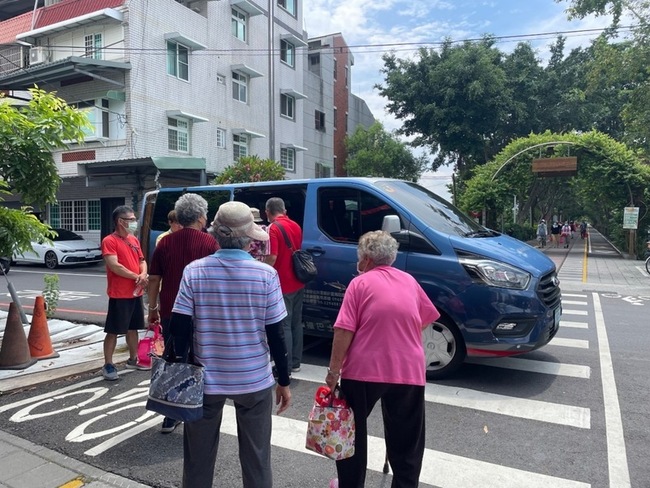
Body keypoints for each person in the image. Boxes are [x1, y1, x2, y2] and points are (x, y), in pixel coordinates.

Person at [170, 200, 291, 488]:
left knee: (197, 459)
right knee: (257, 457)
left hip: (205, 381)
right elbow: (276, 333)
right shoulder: (266, 275)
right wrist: (283, 381)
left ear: (215, 234)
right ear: (250, 239)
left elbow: (179, 327)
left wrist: (181, 367)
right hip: (254, 380)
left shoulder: (194, 272)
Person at [325, 230, 440, 488]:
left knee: (351, 433)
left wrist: (333, 373)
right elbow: (424, 319)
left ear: (366, 259)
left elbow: (344, 330)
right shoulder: (409, 281)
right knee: (407, 439)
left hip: (364, 370)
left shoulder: (359, 283)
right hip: (408, 370)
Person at [147, 193, 219, 434]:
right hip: (202, 313)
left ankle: (170, 414)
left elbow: (154, 278)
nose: (207, 219)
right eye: (206, 215)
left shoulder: (165, 243)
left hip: (171, 310)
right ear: (199, 217)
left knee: (173, 359)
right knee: (199, 360)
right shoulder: (210, 243)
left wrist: (152, 308)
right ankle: (197, 409)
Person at [100, 205, 149, 381]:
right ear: (120, 221)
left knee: (133, 328)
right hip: (119, 294)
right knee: (113, 330)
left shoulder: (133, 240)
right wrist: (137, 276)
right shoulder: (109, 241)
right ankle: (108, 364)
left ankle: (133, 359)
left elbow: (142, 260)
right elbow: (114, 265)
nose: (134, 222)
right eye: (131, 219)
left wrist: (143, 274)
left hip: (135, 292)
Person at [265, 197, 305, 374]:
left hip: (283, 282)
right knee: (297, 322)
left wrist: (262, 269)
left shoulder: (273, 228)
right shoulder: (295, 225)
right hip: (298, 280)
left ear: (268, 212)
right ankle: (296, 362)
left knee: (285, 324)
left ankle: (285, 366)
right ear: (284, 210)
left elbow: (272, 256)